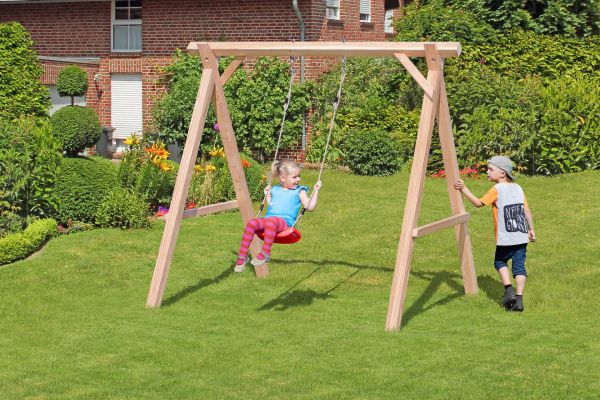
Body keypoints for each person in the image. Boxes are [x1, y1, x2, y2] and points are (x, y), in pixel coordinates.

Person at [454, 156, 535, 312]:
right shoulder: (518, 188)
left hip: (506, 238)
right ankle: (519, 300)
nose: (487, 172)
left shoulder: (497, 189)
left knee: (500, 262)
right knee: (519, 268)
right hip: (521, 236)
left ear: (502, 173)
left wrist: (463, 189)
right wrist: (531, 229)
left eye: (491, 169)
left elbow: (478, 203)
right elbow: (526, 210)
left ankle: (508, 289)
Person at [234, 159, 321, 272]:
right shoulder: (275, 189)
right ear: (283, 178)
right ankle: (242, 256)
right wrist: (267, 195)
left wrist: (316, 191)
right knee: (252, 223)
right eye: (294, 177)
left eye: (299, 176)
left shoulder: (299, 191)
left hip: (285, 223)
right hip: (270, 220)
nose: (298, 179)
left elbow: (310, 207)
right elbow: (273, 206)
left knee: (272, 221)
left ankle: (265, 253)